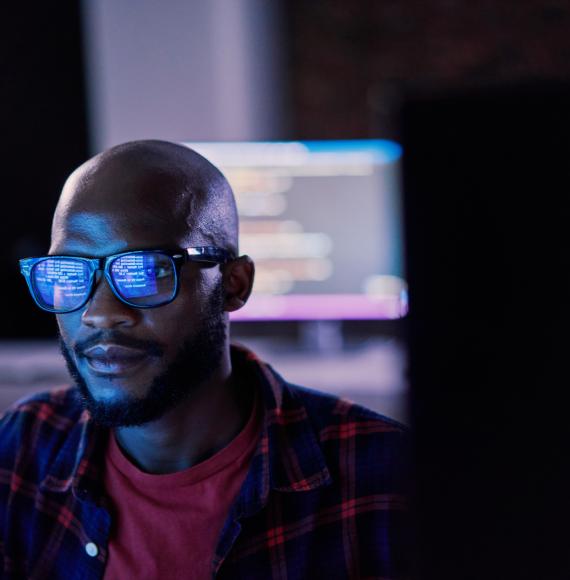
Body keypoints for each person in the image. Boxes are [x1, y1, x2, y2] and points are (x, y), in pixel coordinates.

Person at [0, 140, 410, 579]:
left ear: (234, 284)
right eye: (67, 273)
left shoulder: (385, 476)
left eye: (147, 272)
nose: (99, 312)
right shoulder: (21, 451)